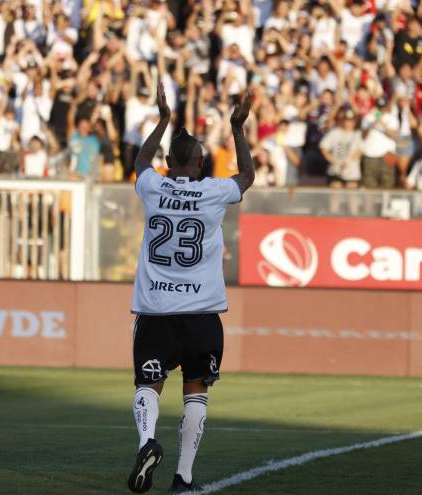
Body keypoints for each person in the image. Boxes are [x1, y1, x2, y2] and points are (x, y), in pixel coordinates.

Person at [126, 82, 254, 494]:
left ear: (169, 161)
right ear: (201, 162)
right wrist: (237, 128)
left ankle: (147, 442)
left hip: (155, 313)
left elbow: (140, 161)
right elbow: (247, 175)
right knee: (195, 394)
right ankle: (183, 479)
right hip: (201, 316)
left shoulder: (152, 186)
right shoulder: (215, 191)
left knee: (148, 387)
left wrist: (163, 118)